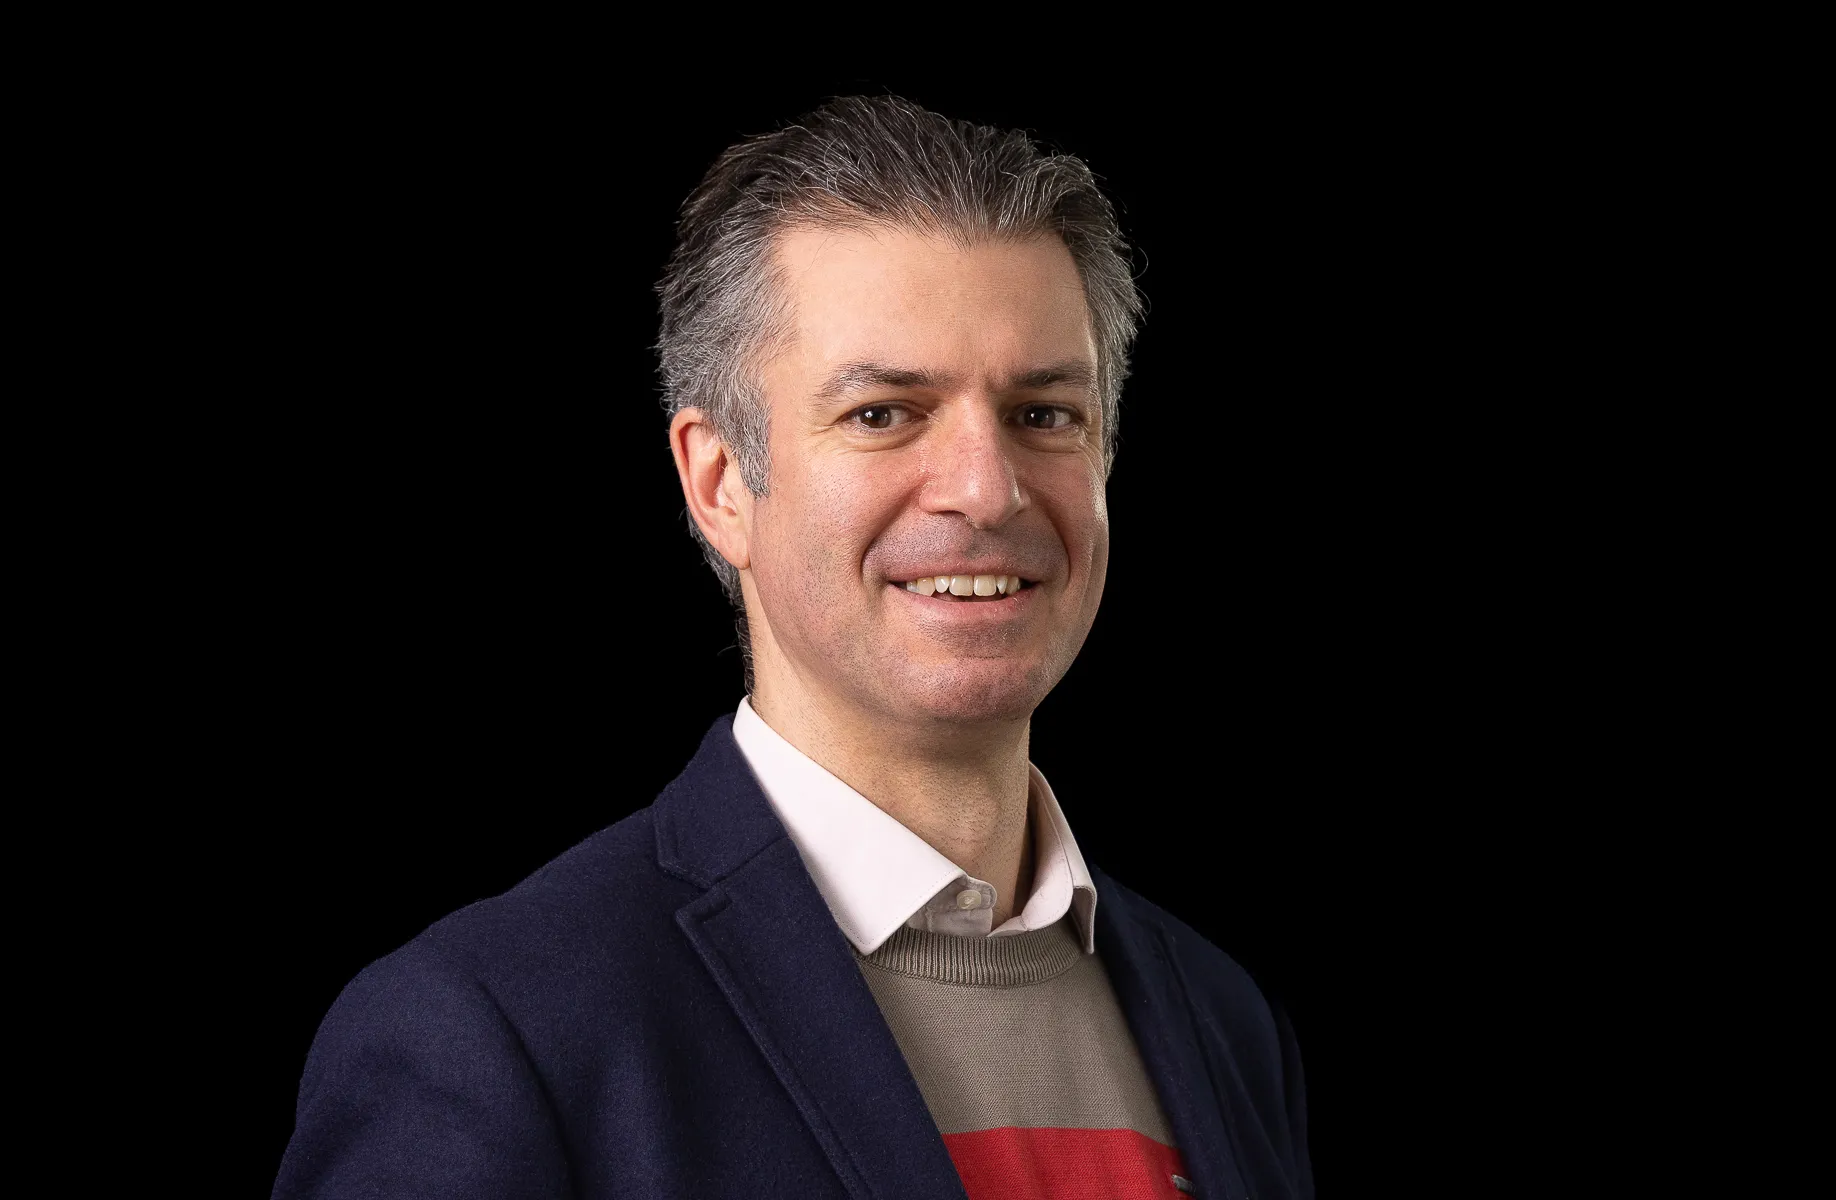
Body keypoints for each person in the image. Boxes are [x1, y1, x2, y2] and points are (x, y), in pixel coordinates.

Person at [274, 95, 1311, 1200]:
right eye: (884, 413)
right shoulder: (495, 1035)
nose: (986, 487)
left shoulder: (1227, 1024)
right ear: (720, 483)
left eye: (1044, 413)